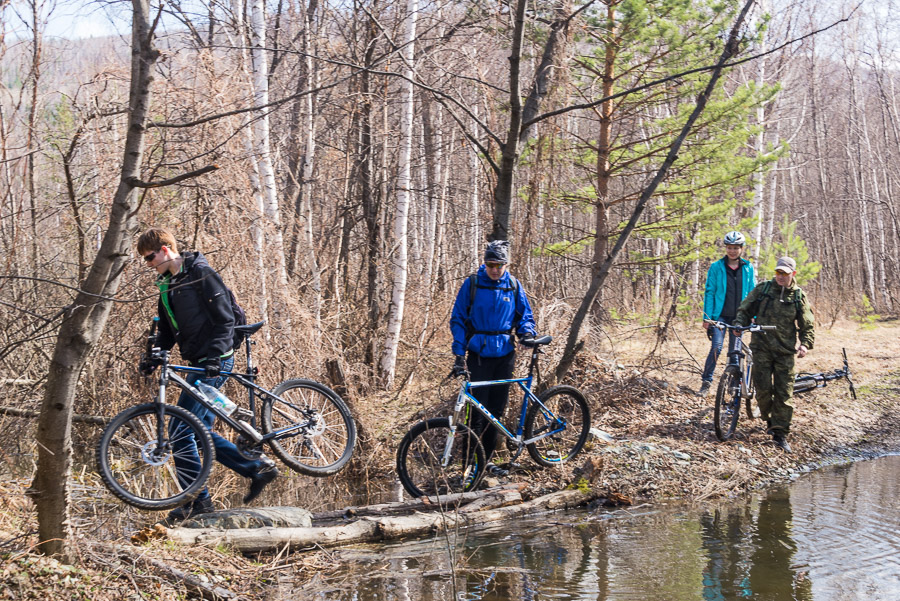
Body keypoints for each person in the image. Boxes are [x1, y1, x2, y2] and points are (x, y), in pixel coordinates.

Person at [137, 228, 278, 522]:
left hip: (216, 361)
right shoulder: (167, 285)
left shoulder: (201, 273)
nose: (148, 263)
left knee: (180, 430)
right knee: (198, 432)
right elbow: (166, 329)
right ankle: (255, 469)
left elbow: (225, 319)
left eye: (150, 257)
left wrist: (215, 354)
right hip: (197, 361)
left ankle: (196, 501)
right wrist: (153, 358)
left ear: (165, 249)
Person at [449, 240, 537, 476]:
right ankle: (470, 464)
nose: (495, 269)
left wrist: (527, 333)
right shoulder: (473, 284)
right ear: (484, 263)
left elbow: (525, 316)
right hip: (479, 354)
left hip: (505, 355)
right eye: (490, 264)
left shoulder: (514, 286)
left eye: (499, 265)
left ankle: (485, 462)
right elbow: (458, 319)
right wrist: (459, 354)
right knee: (476, 412)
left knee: (495, 412)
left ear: (506, 264)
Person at [734, 256, 815, 453]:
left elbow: (807, 324)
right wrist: (739, 324)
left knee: (784, 393)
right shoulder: (763, 290)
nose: (780, 277)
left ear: (792, 274)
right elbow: (745, 308)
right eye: (778, 272)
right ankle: (769, 419)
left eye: (784, 274)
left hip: (785, 352)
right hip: (761, 348)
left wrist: (805, 344)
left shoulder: (798, 296)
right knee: (762, 390)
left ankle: (780, 433)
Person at [699, 231, 756, 397]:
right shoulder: (716, 267)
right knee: (716, 346)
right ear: (726, 248)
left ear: (741, 249)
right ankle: (706, 381)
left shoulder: (748, 268)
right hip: (720, 316)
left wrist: (753, 315)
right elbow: (710, 291)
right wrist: (707, 318)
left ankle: (733, 385)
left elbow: (752, 293)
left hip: (739, 317)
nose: (733, 251)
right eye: (730, 247)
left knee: (735, 352)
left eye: (736, 248)